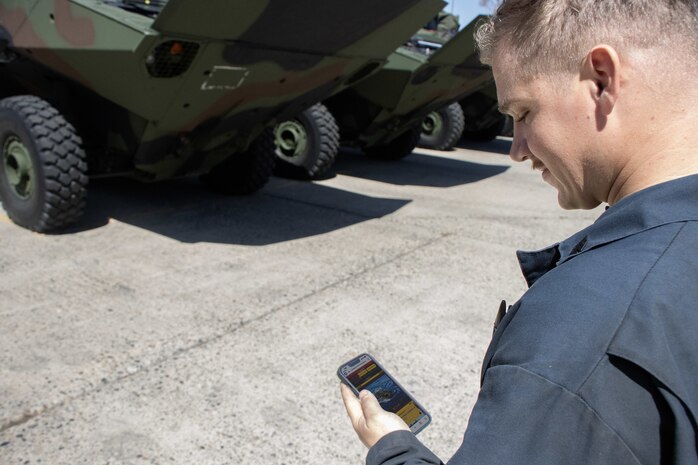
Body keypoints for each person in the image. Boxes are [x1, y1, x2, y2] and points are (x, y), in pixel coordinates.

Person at [340, 0, 698, 463]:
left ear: (602, 79)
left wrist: (393, 447)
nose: (517, 148)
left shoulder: (583, 334)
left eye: (524, 112)